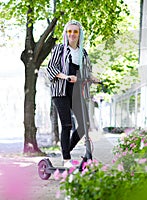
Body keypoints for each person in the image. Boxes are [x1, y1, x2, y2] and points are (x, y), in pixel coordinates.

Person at [46, 20, 98, 167]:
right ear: (66, 33)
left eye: (75, 32)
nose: (72, 34)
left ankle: (66, 150)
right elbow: (51, 69)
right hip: (61, 91)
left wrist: (92, 78)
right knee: (67, 125)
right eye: (70, 31)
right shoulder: (60, 49)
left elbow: (86, 71)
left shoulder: (83, 52)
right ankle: (67, 159)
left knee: (84, 125)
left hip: (76, 92)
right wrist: (66, 77)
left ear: (79, 34)